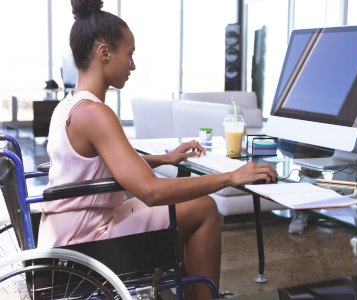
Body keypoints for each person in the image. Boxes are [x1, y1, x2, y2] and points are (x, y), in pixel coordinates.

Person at [37, 1, 278, 300]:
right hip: (84, 244)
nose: (133, 65)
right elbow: (151, 191)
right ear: (104, 53)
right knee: (203, 208)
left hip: (64, 234)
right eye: (130, 54)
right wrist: (232, 177)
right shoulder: (95, 114)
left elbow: (95, 164)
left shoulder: (70, 105)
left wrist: (164, 158)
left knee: (192, 207)